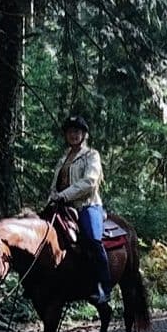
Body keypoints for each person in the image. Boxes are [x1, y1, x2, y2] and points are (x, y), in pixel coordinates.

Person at [43, 109, 111, 309]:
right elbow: (55, 185)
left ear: (84, 135)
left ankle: (103, 288)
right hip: (62, 206)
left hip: (86, 205)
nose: (73, 135)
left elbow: (89, 182)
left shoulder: (92, 155)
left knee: (92, 239)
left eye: (77, 131)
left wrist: (64, 195)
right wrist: (51, 200)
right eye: (70, 131)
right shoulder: (63, 159)